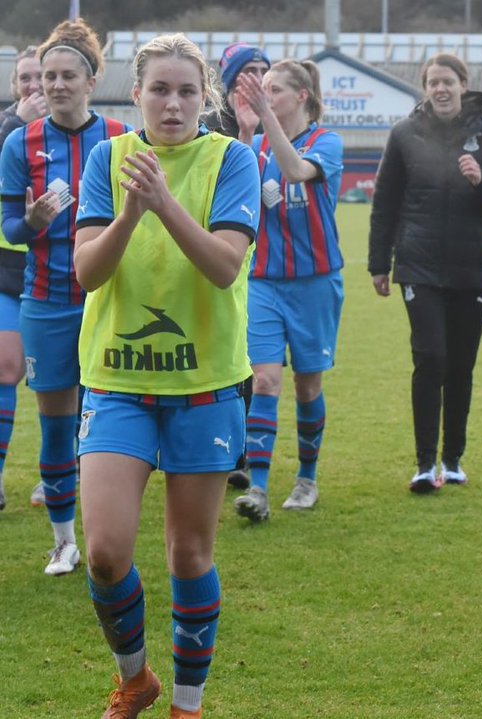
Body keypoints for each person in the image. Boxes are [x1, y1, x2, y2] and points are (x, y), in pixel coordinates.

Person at [72, 32, 259, 718]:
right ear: (137, 94)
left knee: (188, 553)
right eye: (160, 89)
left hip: (205, 384)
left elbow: (223, 265)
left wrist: (164, 202)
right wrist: (129, 211)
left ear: (204, 97)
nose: (173, 103)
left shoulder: (230, 160)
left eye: (186, 91)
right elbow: (87, 272)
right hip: (118, 380)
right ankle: (135, 677)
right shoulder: (109, 159)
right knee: (105, 551)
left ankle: (187, 702)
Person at [0, 20, 130, 574]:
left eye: (67, 75)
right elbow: (7, 227)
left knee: (107, 420)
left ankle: (111, 533)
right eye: (48, 76)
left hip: (113, 300)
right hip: (48, 300)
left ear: (91, 80)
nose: (55, 85)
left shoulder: (122, 137)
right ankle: (63, 540)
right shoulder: (19, 143)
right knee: (56, 422)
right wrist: (29, 220)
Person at [367, 52, 482, 492]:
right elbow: (385, 201)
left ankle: (453, 460)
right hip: (419, 266)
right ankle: (422, 463)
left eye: (448, 81)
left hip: (473, 267)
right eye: (433, 82)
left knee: (460, 366)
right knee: (430, 358)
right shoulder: (404, 134)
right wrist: (380, 262)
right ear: (425, 87)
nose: (440, 89)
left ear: (463, 84)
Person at [229, 59, 344, 521]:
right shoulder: (255, 146)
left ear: (302, 96)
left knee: (307, 383)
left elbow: (295, 170)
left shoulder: (326, 142)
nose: (265, 96)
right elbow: (235, 188)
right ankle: (257, 489)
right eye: (263, 89)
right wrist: (244, 131)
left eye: (274, 90)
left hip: (315, 283)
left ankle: (306, 477)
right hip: (264, 283)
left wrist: (266, 121)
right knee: (264, 381)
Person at [199, 42, 270, 492]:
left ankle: (237, 453)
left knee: (248, 364)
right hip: (216, 262)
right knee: (218, 354)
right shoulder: (206, 128)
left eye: (264, 70)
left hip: (265, 269)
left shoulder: (276, 120)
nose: (257, 80)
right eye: (248, 71)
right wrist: (246, 132)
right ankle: (219, 451)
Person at [0, 46, 46, 511]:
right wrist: (15, 124)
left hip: (61, 273)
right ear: (15, 85)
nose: (35, 86)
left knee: (62, 381)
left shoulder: (74, 134)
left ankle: (55, 475)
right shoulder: (8, 130)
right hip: (7, 272)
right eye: (26, 78)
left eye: (42, 77)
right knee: (5, 368)